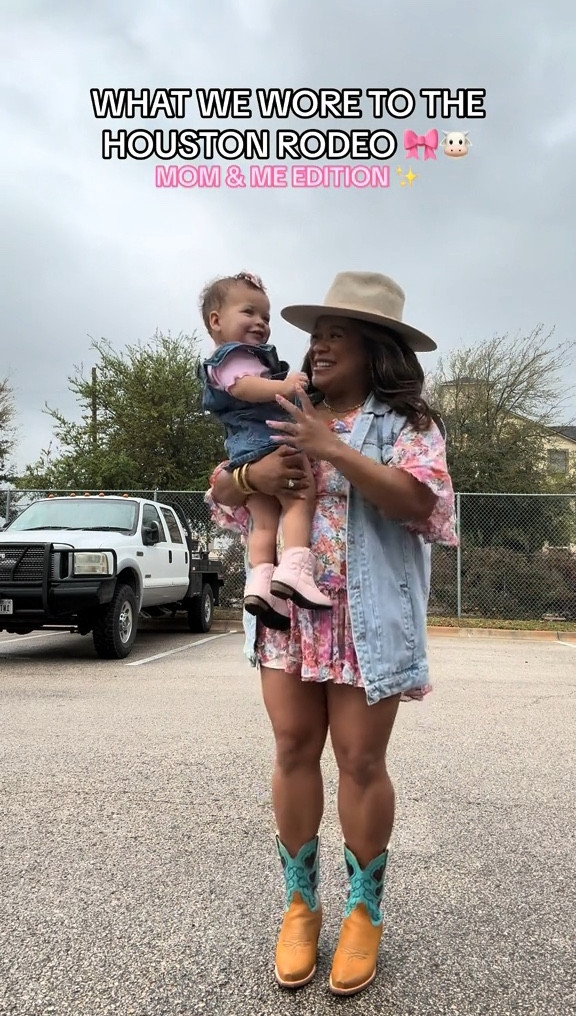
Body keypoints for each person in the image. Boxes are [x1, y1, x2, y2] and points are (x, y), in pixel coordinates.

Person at [206, 271, 457, 996]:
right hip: (290, 609)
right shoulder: (286, 402)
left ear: (376, 349)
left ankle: (364, 911)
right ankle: (300, 906)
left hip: (365, 621)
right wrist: (252, 475)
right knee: (290, 747)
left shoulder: (409, 425)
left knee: (359, 760)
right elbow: (222, 485)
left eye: (334, 338)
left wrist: (332, 447)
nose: (315, 349)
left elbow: (419, 502)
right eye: (314, 337)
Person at [198, 270, 332, 630]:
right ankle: (295, 568)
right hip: (267, 440)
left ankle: (261, 583)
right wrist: (286, 386)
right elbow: (244, 388)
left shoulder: (237, 356)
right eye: (249, 312)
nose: (260, 323)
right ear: (216, 320)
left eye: (265, 317)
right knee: (300, 495)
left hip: (245, 450)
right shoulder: (235, 358)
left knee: (264, 518)